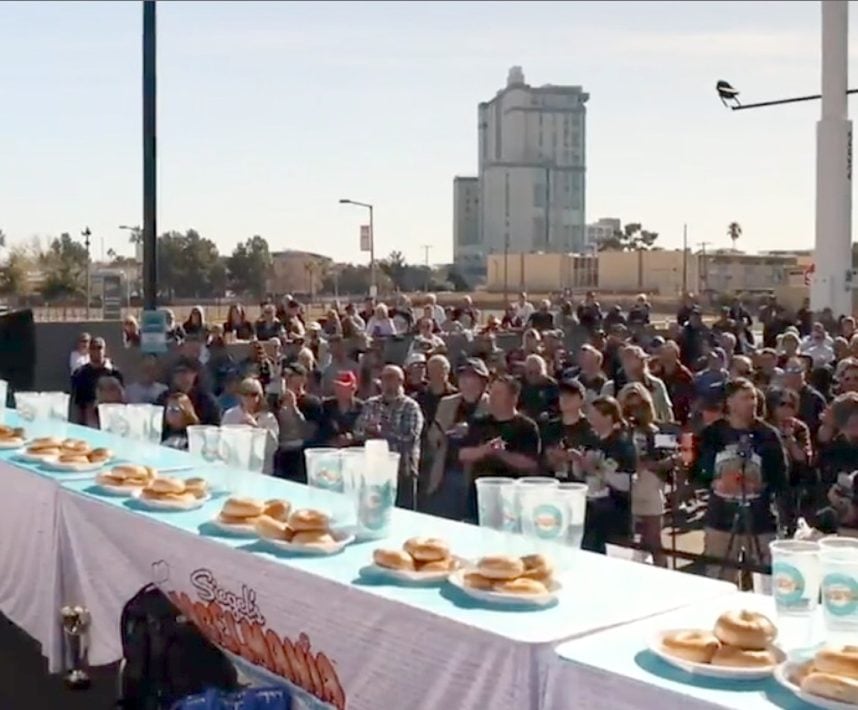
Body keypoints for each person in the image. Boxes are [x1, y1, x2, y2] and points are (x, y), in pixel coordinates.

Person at [691, 378, 791, 580]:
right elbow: (697, 472)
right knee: (719, 577)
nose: (752, 402)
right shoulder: (712, 434)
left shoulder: (768, 435)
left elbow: (781, 477)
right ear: (730, 402)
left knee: (765, 579)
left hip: (760, 519)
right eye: (745, 398)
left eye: (753, 397)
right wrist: (715, 482)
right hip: (720, 518)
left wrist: (760, 486)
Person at [459, 376, 540, 521]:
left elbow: (530, 462)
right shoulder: (479, 423)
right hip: (480, 494)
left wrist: (501, 453)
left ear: (513, 398)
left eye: (498, 393)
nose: (492, 397)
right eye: (492, 392)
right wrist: (484, 450)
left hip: (512, 496)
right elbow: (463, 454)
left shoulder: (526, 427)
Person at [423, 358, 491, 519]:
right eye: (463, 377)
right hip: (446, 472)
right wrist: (444, 433)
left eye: (472, 377)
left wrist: (471, 431)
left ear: (483, 381)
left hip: (478, 475)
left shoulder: (492, 405)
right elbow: (433, 436)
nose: (467, 382)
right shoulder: (447, 403)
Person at [571, 395, 637, 555]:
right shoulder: (591, 439)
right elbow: (581, 474)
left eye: (594, 414)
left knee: (613, 557)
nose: (589, 418)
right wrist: (577, 462)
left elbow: (625, 484)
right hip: (591, 510)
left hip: (614, 513)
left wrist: (596, 470)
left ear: (608, 417)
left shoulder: (621, 444)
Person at [619, 382, 674, 567]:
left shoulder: (657, 431)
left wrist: (653, 465)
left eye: (639, 406)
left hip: (650, 488)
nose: (634, 412)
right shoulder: (620, 432)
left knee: (654, 541)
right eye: (629, 407)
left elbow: (673, 458)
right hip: (627, 489)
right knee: (631, 542)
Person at [355, 365, 424, 509]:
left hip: (402, 469)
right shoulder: (371, 404)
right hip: (374, 468)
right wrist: (368, 431)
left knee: (403, 511)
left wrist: (382, 433)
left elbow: (410, 438)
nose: (386, 382)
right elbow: (358, 430)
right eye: (383, 378)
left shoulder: (411, 407)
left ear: (401, 381)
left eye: (390, 378)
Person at [274, 363, 324, 482]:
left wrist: (294, 408)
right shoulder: (277, 401)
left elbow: (309, 433)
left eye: (291, 375)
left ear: (303, 379)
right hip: (280, 453)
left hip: (299, 454)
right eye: (285, 376)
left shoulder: (311, 403)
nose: (287, 379)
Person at [542, 379, 598, 480]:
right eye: (562, 395)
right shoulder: (550, 427)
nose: (565, 398)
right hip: (554, 482)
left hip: (582, 483)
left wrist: (571, 457)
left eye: (570, 395)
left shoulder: (591, 427)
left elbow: (595, 464)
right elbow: (544, 460)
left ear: (582, 399)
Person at [602, 345, 674, 423]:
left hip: (652, 428)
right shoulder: (611, 388)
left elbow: (667, 414)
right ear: (625, 362)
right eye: (638, 358)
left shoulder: (656, 384)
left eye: (643, 359)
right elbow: (602, 415)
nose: (643, 362)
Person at [222, 377, 279, 472]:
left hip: (261, 469)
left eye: (253, 394)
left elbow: (272, 447)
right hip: (236, 468)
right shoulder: (230, 415)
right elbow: (224, 443)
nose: (249, 398)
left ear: (260, 396)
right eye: (245, 394)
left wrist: (256, 428)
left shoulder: (268, 418)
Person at [71, 337, 123, 425]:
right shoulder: (80, 373)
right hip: (88, 418)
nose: (96, 351)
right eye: (93, 348)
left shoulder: (114, 373)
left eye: (99, 348)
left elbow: (120, 399)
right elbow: (77, 403)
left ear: (104, 350)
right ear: (89, 351)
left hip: (110, 418)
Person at [156, 358, 220, 426]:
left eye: (187, 372)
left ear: (195, 374)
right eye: (178, 372)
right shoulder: (164, 398)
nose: (183, 376)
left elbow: (214, 425)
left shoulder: (206, 401)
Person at [317, 371, 364, 447]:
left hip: (354, 449)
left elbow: (366, 432)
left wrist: (353, 438)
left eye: (345, 387)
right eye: (338, 386)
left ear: (354, 388)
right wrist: (331, 441)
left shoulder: (362, 408)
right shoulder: (325, 406)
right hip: (329, 449)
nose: (341, 390)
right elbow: (319, 431)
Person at [415, 354, 457, 427]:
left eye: (440, 369)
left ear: (447, 370)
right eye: (432, 369)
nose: (436, 373)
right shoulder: (419, 397)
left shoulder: (456, 396)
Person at [519, 353, 559, 425]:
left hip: (546, 422)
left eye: (537, 372)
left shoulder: (552, 386)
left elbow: (557, 407)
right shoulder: (518, 384)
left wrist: (548, 413)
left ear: (544, 371)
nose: (534, 375)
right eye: (530, 372)